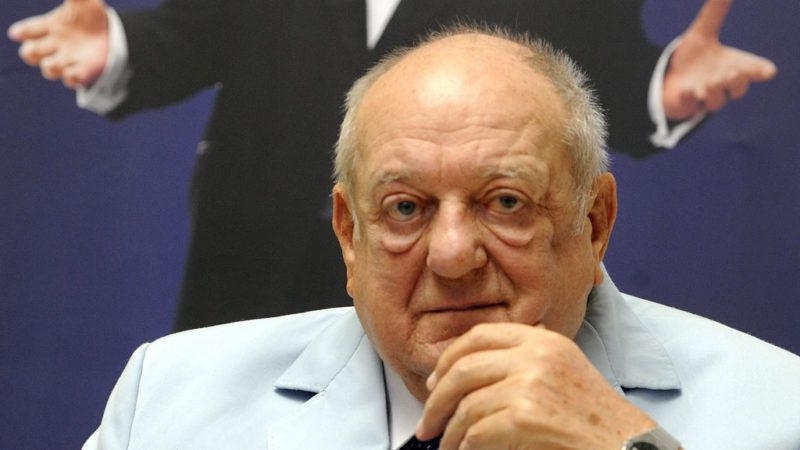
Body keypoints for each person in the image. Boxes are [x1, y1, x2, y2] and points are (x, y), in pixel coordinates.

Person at [83, 26, 800, 449]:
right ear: (349, 235)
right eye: (405, 209)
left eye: (506, 202)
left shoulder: (780, 410)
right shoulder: (168, 404)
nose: (453, 255)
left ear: (594, 221)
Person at [8, 0, 777, 332]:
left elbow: (602, 77)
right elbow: (194, 35)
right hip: (253, 255)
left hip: (453, 281)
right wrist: (116, 48)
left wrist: (662, 89)